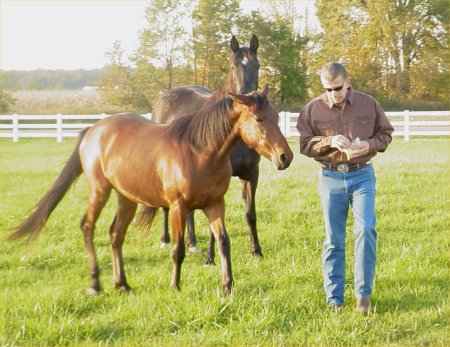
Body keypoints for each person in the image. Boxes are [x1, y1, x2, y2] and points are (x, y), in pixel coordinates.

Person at [296, 62, 394, 313]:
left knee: (366, 230)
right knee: (333, 239)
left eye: (337, 88)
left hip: (362, 175)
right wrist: (328, 140)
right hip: (330, 177)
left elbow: (385, 134)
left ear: (347, 82)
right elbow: (305, 145)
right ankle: (335, 300)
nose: (333, 93)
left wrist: (369, 145)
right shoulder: (311, 109)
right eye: (327, 89)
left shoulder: (368, 103)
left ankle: (363, 296)